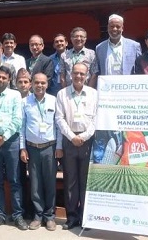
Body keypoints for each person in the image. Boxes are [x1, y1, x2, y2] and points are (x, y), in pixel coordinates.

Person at [0, 66, 27, 230]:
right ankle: (0, 215)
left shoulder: (15, 95)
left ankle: (17, 215)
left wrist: (4, 137)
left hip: (11, 142)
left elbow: (17, 119)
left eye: (4, 77)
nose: (0, 80)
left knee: (15, 180)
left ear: (9, 80)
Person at [55, 62, 97, 230]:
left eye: (82, 74)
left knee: (85, 181)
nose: (79, 76)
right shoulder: (62, 94)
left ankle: (85, 217)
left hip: (87, 142)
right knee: (70, 181)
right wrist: (72, 137)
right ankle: (71, 217)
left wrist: (84, 136)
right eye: (76, 73)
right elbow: (59, 118)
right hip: (69, 141)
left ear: (86, 76)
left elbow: (96, 118)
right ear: (71, 74)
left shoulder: (94, 94)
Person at [20, 72, 62, 231]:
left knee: (50, 183)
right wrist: (22, 148)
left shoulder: (54, 100)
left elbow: (58, 126)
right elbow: (22, 127)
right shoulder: (25, 102)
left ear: (47, 84)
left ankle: (49, 216)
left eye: (43, 83)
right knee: (35, 184)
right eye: (37, 82)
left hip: (50, 147)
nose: (40, 86)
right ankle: (38, 215)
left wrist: (59, 147)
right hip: (32, 148)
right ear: (31, 84)